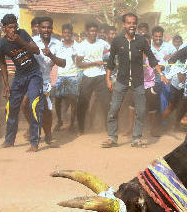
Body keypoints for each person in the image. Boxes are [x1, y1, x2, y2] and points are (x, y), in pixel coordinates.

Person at [102, 13, 166, 148]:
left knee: (140, 110)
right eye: (129, 23)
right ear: (124, 24)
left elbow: (152, 58)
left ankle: (136, 139)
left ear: (136, 25)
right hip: (121, 80)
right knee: (113, 109)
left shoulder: (141, 40)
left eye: (133, 23)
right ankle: (112, 138)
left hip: (138, 81)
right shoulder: (117, 40)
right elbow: (111, 62)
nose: (131, 25)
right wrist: (108, 79)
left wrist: (161, 74)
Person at [0, 14, 43, 152]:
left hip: (34, 74)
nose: (14, 29)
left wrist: (21, 42)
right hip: (19, 77)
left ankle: (34, 143)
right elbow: (3, 64)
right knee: (10, 108)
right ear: (4, 28)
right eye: (10, 27)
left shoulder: (22, 33)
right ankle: (9, 140)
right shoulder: (1, 44)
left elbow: (36, 50)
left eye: (15, 26)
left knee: (34, 105)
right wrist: (6, 85)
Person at [32, 17, 66, 147]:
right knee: (26, 104)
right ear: (38, 28)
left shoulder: (58, 44)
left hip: (46, 80)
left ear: (52, 28)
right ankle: (33, 128)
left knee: (46, 109)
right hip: (31, 78)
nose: (46, 30)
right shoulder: (32, 41)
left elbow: (63, 63)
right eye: (43, 27)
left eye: (49, 27)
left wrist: (51, 55)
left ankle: (48, 135)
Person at [74, 22, 110, 135]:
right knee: (83, 103)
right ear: (87, 32)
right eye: (91, 31)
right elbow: (79, 63)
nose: (93, 33)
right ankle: (81, 128)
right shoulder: (82, 45)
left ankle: (108, 127)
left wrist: (108, 60)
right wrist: (94, 63)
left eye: (95, 31)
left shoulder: (103, 43)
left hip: (101, 76)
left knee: (106, 103)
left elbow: (112, 52)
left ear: (97, 32)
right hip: (88, 76)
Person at [53, 23, 80, 132]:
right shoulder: (58, 46)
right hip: (61, 76)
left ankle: (72, 124)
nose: (67, 34)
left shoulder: (77, 46)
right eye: (65, 32)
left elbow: (80, 61)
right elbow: (53, 60)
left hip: (73, 76)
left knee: (73, 101)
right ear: (62, 34)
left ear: (72, 34)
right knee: (57, 100)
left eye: (69, 33)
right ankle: (59, 121)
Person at [150, 26, 176, 115]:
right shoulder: (148, 46)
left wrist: (171, 56)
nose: (158, 38)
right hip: (150, 79)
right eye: (156, 36)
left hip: (165, 78)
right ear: (152, 36)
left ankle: (162, 123)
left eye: (160, 36)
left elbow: (177, 53)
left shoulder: (168, 46)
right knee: (152, 102)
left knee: (163, 100)